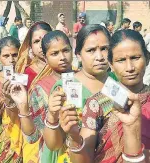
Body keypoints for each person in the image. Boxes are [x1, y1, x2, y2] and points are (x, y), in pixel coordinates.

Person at [47, 29, 150, 163]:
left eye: (135, 58)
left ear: (147, 58)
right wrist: (74, 137)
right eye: (121, 60)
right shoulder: (97, 103)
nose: (129, 67)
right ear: (111, 64)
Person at [41, 24, 116, 162]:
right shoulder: (65, 88)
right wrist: (52, 116)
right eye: (91, 50)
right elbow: (53, 145)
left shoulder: (117, 83)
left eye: (104, 49)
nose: (99, 57)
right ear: (79, 55)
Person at [11, 30, 74, 163]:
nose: (62, 57)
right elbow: (32, 137)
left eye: (66, 50)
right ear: (45, 58)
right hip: (55, 154)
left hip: (87, 149)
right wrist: (23, 107)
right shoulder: (41, 89)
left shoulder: (84, 79)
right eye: (54, 53)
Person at [0, 36, 23, 162]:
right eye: (6, 56)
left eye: (15, 55)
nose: (11, 60)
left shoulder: (25, 78)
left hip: (22, 132)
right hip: (1, 134)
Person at [16, 21, 52, 89]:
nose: (41, 45)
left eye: (45, 39)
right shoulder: (25, 73)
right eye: (36, 41)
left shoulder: (62, 68)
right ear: (30, 46)